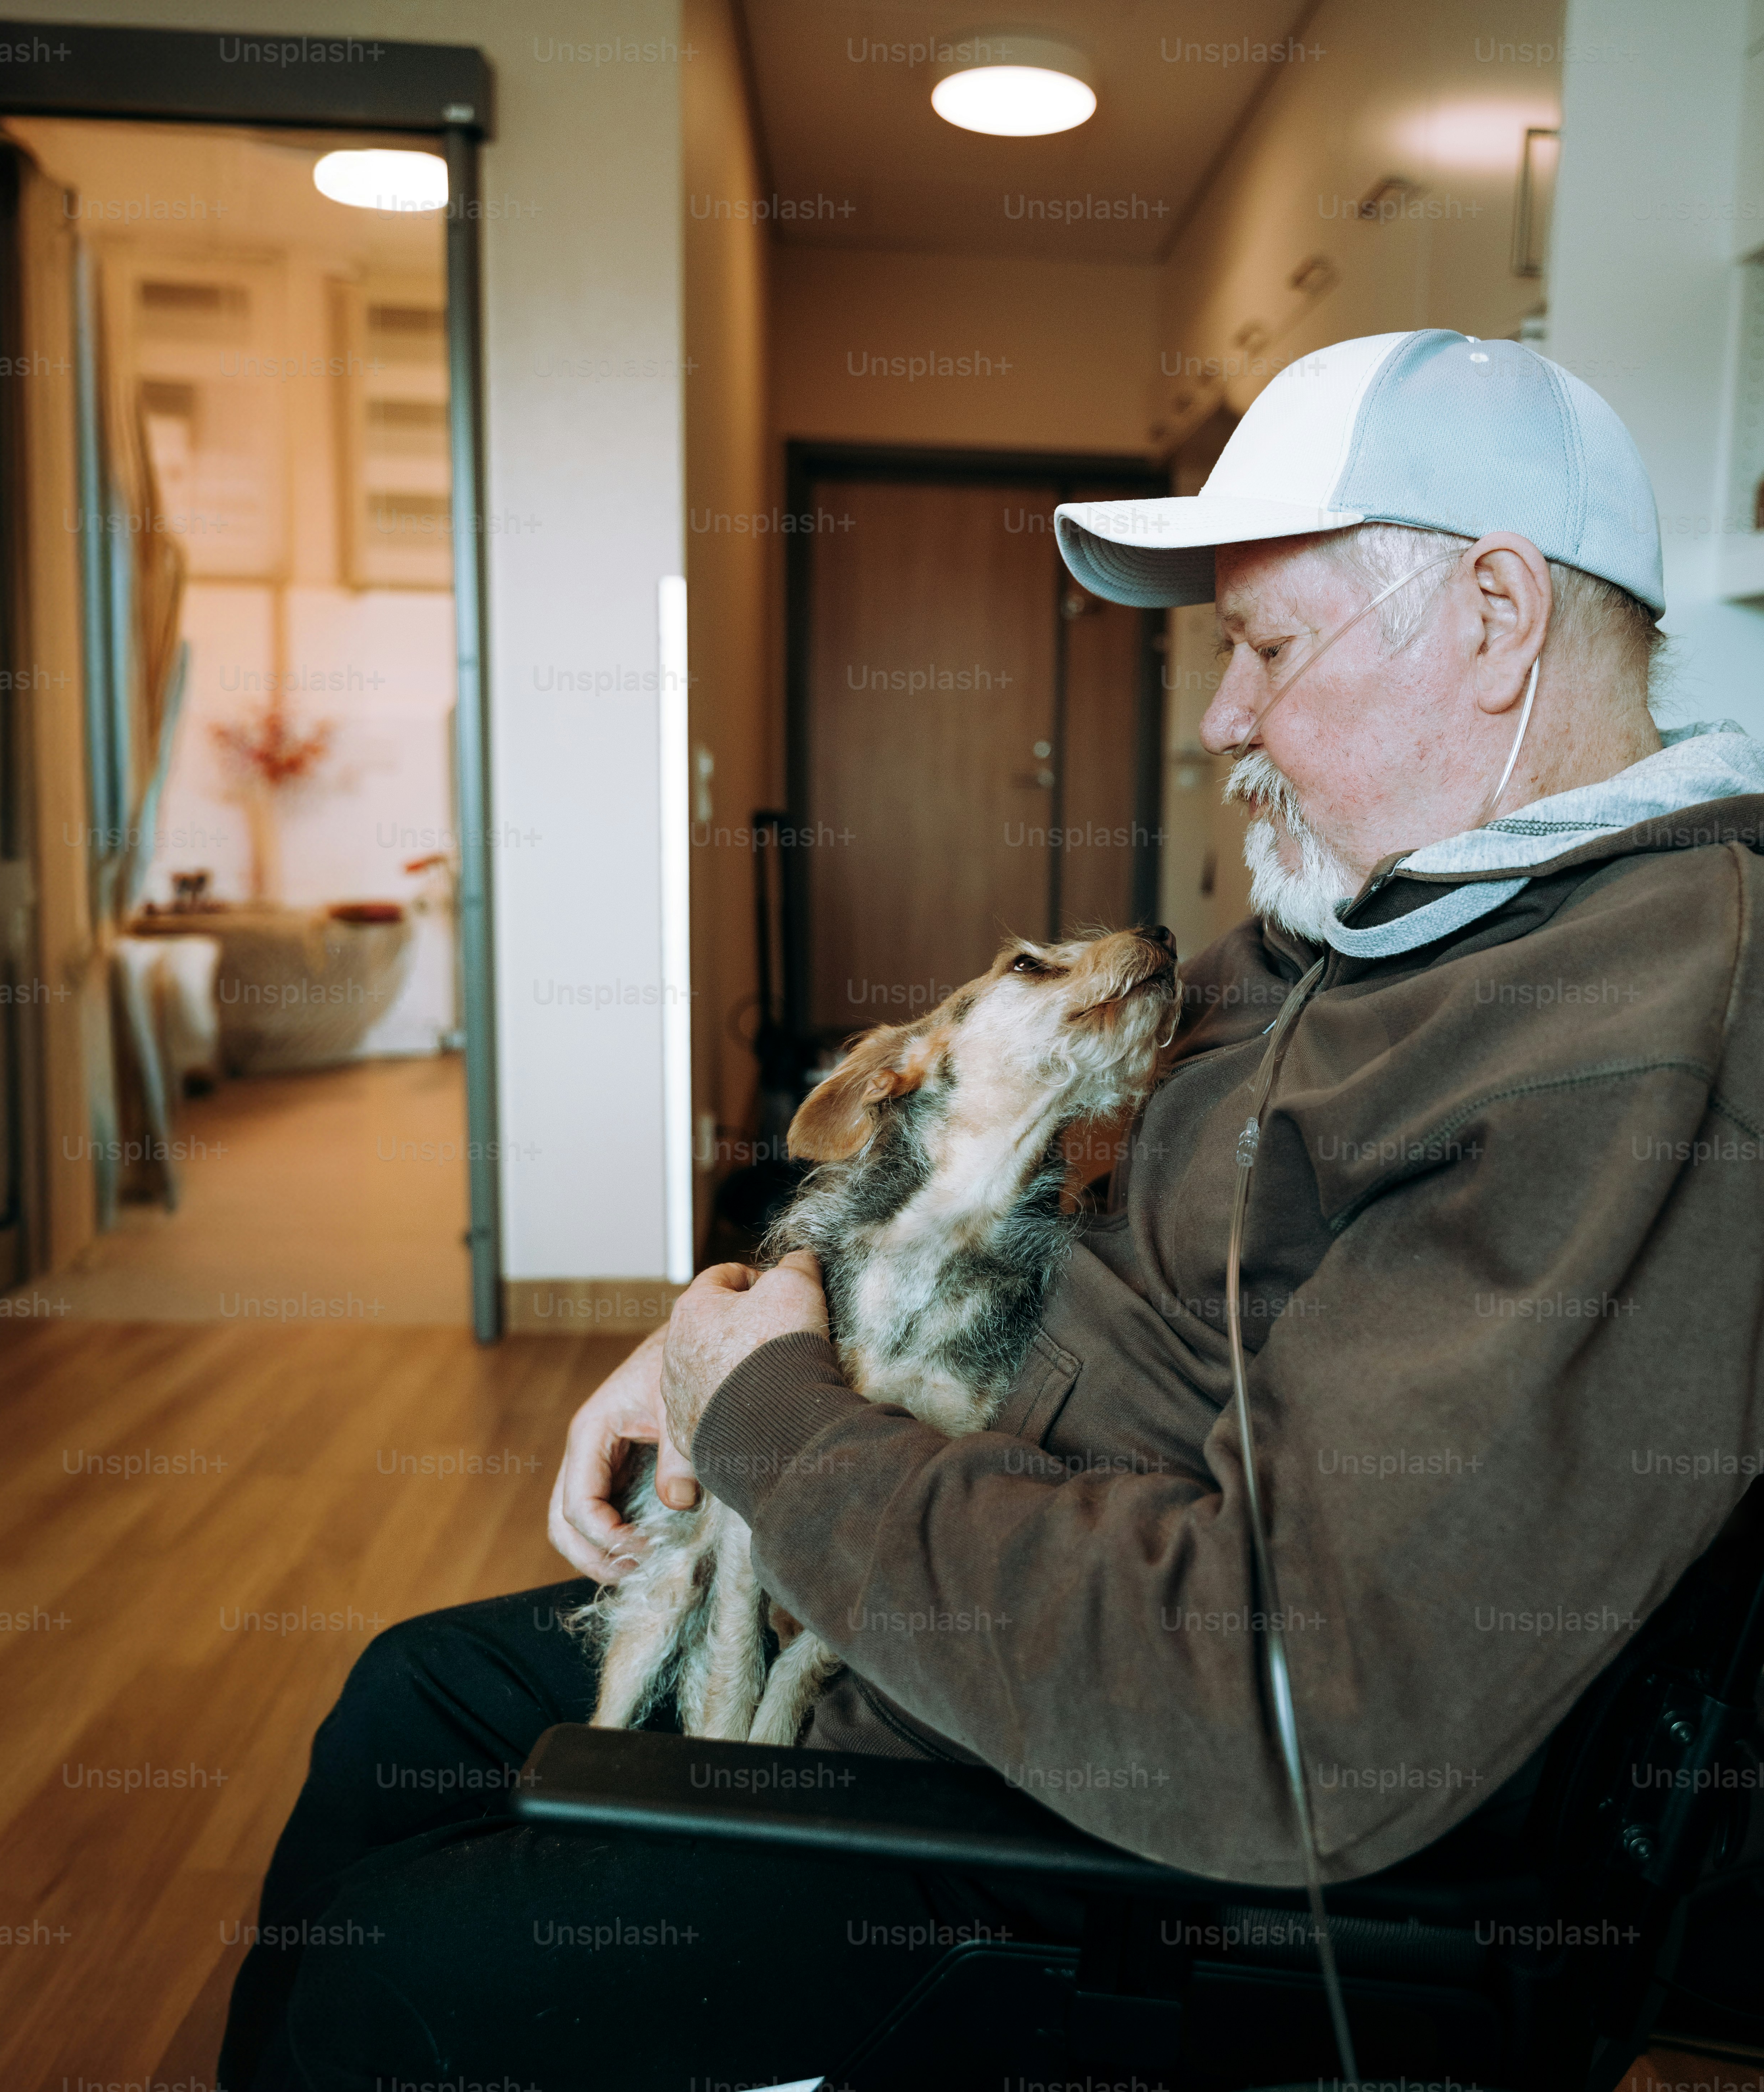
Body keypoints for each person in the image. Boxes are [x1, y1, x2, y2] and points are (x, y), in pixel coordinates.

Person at [216, 329, 1764, 2092]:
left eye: (1265, 646)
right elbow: (1001, 1193)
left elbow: (1291, 1708)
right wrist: (746, 1313)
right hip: (969, 1619)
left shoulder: (1629, 1045)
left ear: (1494, 618)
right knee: (404, 1710)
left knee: (395, 1987)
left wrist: (777, 1428)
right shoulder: (1382, 921)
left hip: (1112, 1829)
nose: (1223, 718)